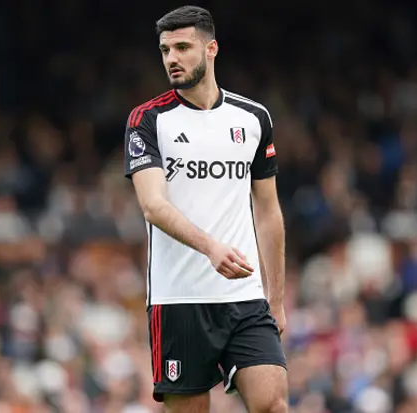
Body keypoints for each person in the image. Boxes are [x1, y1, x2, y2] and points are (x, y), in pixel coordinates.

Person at [123, 6, 288, 413]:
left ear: (211, 49)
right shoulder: (147, 120)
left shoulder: (252, 118)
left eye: (183, 47)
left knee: (273, 404)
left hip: (244, 296)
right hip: (178, 299)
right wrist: (210, 247)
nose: (172, 59)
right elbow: (153, 206)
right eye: (165, 50)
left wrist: (277, 298)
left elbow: (268, 211)